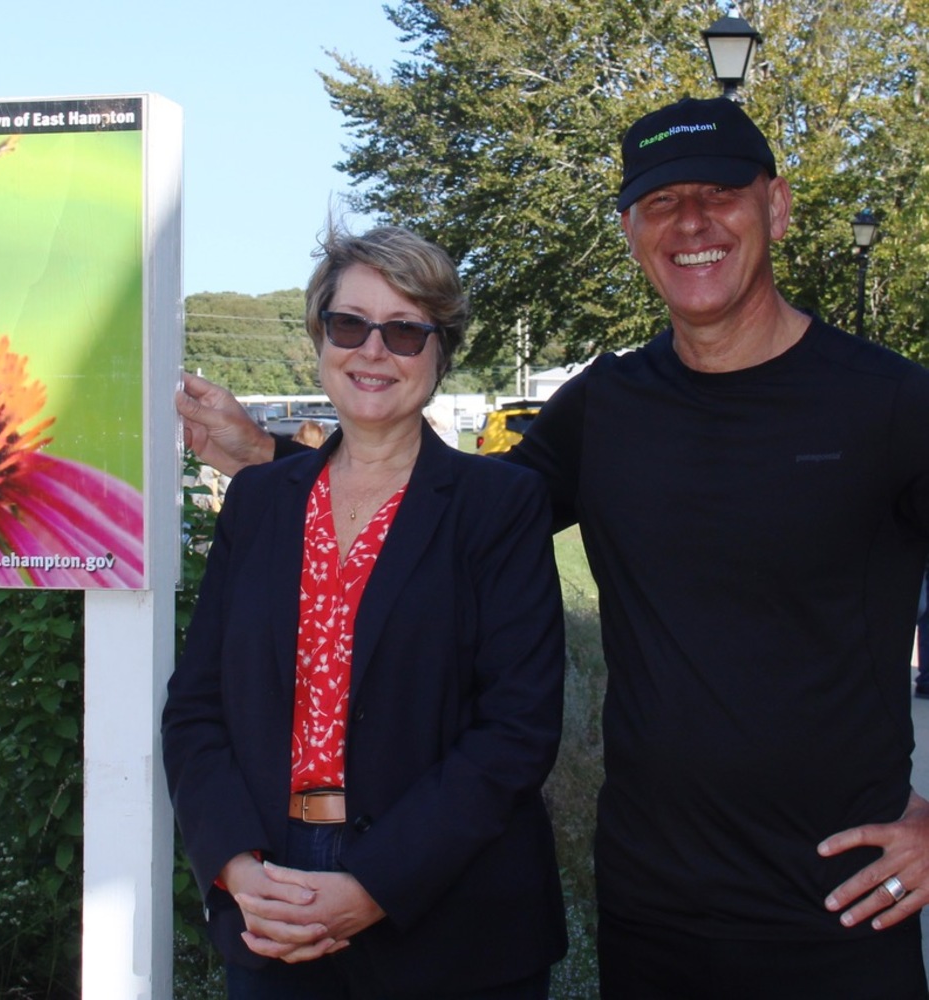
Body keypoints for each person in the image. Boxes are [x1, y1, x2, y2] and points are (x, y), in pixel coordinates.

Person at [176, 97, 929, 999]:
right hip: (653, 899)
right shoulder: (606, 408)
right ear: (629, 231)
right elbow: (435, 514)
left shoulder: (890, 405)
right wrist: (268, 466)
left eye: (720, 194)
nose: (691, 223)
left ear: (776, 206)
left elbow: (507, 707)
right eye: (660, 203)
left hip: (839, 899)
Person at [163, 225, 568, 999]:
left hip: (450, 919)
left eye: (405, 331)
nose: (372, 351)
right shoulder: (259, 502)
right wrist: (236, 867)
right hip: (272, 903)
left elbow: (516, 730)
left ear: (440, 351)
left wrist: (375, 885)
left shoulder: (498, 506)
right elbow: (197, 707)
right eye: (349, 325)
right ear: (320, 338)